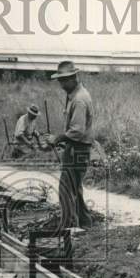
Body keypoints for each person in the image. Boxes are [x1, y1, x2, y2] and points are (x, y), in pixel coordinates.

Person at [44, 61, 93, 230]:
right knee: (74, 187)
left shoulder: (79, 100)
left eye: (64, 80)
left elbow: (77, 131)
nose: (61, 84)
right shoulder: (75, 95)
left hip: (77, 148)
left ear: (73, 78)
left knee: (66, 189)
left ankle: (69, 228)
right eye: (60, 80)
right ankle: (85, 221)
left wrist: (57, 139)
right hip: (76, 148)